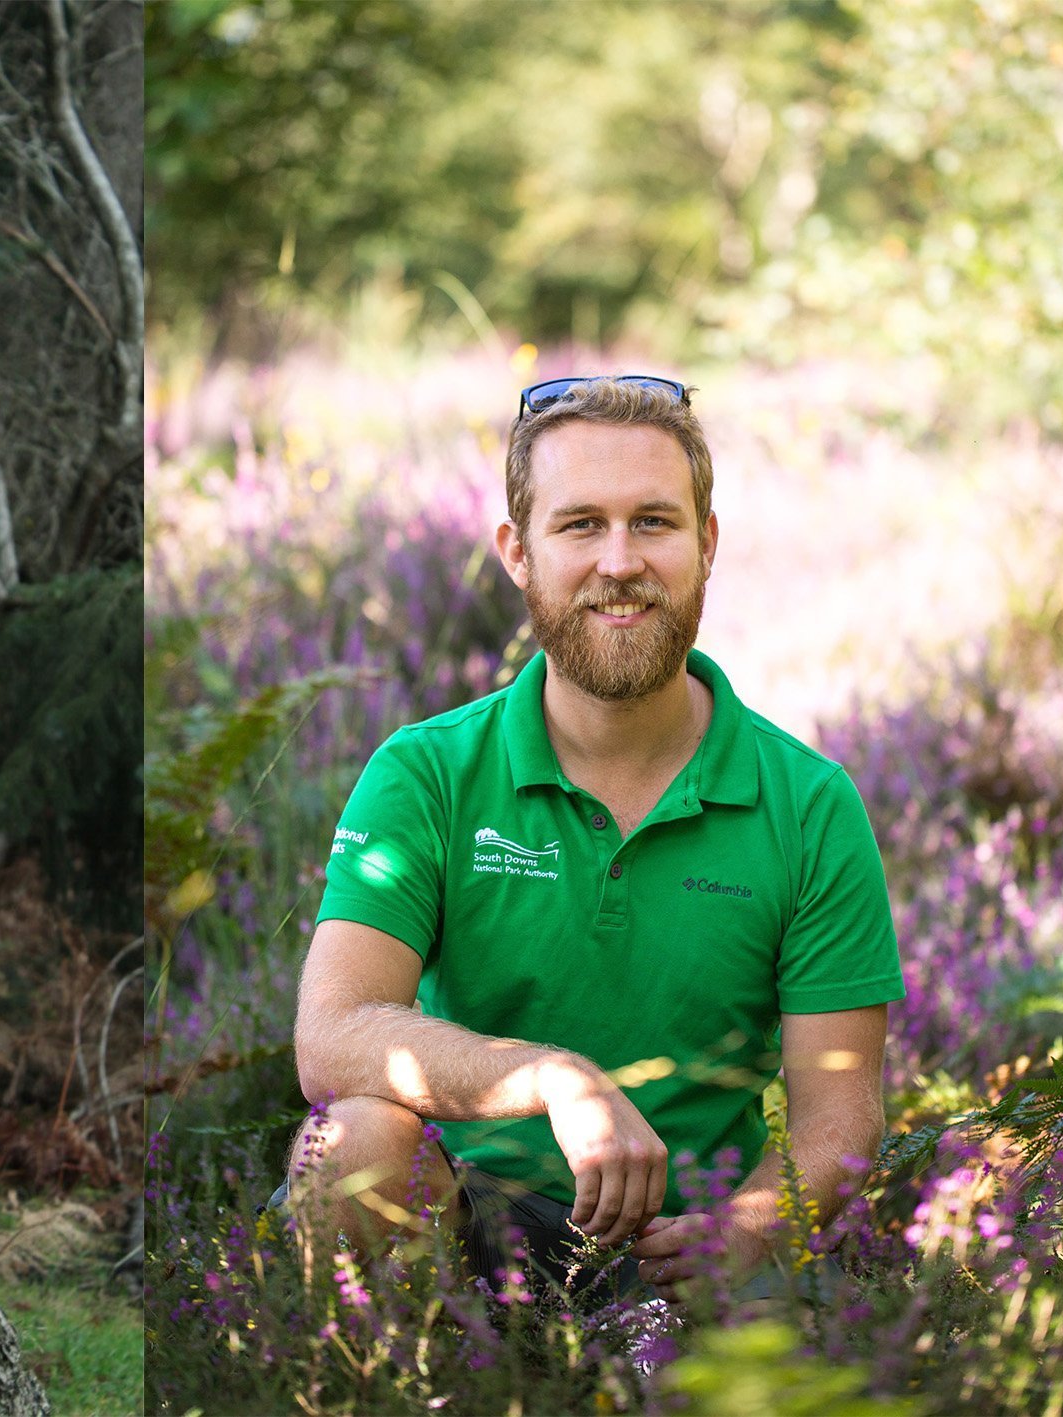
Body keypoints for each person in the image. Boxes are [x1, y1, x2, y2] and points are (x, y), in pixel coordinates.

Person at [282, 375, 904, 1306]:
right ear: (517, 552)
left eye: (654, 521)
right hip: (458, 1219)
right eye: (579, 525)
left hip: (684, 1247)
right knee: (350, 1140)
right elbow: (330, 1038)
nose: (619, 561)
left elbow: (842, 1118)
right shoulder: (428, 772)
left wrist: (741, 1233)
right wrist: (555, 1079)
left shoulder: (809, 803)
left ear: (707, 543)